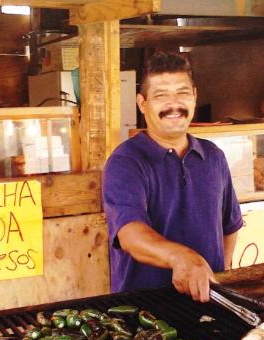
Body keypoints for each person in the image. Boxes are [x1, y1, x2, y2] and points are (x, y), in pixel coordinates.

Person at [102, 51, 243, 302]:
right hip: (144, 310)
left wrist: (217, 276)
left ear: (195, 96)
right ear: (142, 103)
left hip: (208, 305)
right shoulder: (126, 161)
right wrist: (182, 258)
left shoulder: (214, 157)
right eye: (161, 95)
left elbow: (230, 226)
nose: (174, 104)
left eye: (182, 93)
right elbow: (130, 234)